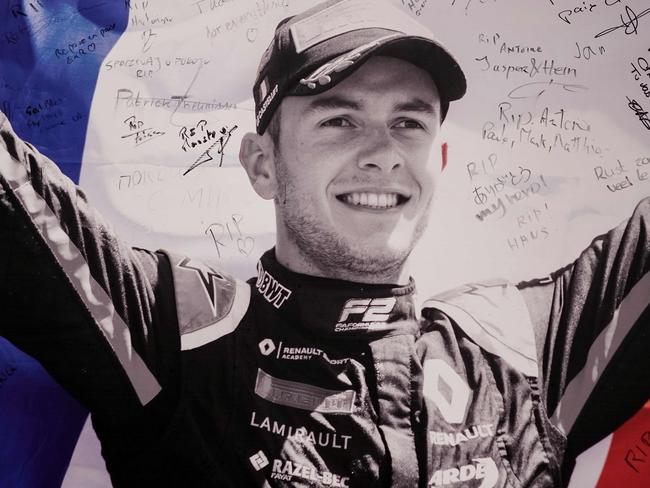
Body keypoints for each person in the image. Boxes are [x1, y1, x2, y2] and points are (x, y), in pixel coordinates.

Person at [0, 0, 648, 486]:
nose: (382, 154)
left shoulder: (522, 355)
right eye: (340, 119)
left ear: (440, 158)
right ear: (262, 164)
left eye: (408, 122)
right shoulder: (181, 340)